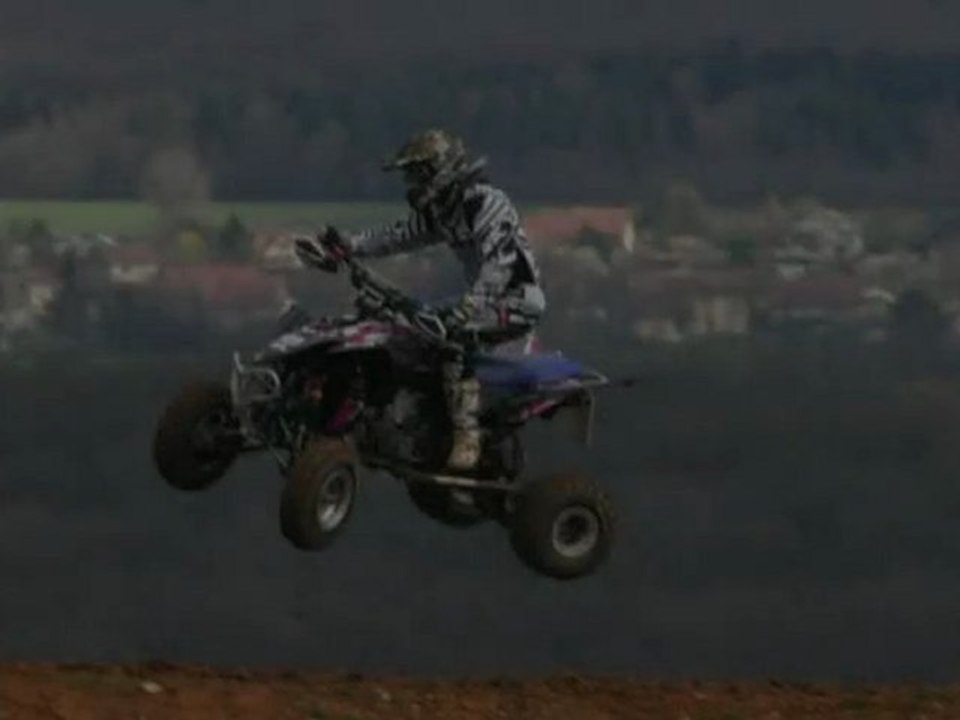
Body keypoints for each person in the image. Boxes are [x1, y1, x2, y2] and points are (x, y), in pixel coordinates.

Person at [296, 129, 546, 471]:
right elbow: (398, 236)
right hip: (479, 299)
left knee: (451, 336)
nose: (412, 183)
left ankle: (467, 435)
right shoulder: (443, 210)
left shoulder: (485, 203)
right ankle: (419, 417)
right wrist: (350, 245)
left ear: (440, 169)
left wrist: (469, 307)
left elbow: (499, 263)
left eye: (417, 173)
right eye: (410, 175)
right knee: (403, 326)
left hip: (516, 298)